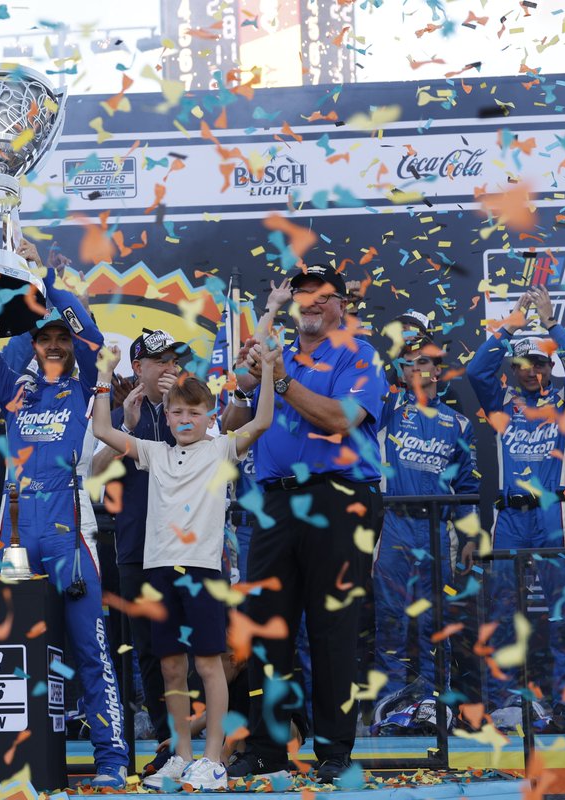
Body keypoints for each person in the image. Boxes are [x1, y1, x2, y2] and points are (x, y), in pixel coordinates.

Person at [0, 239, 129, 789]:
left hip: (69, 537)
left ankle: (111, 758)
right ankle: (14, 760)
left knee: (90, 651)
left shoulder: (86, 385)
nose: (54, 345)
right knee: (11, 652)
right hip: (14, 537)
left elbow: (92, 335)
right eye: (45, 338)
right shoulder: (15, 390)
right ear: (32, 344)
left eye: (61, 338)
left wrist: (43, 280)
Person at [225, 264, 388, 784]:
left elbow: (340, 419)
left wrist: (280, 379)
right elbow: (232, 421)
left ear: (342, 304)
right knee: (266, 629)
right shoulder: (278, 353)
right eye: (302, 292)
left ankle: (334, 750)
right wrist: (248, 381)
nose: (311, 301)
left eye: (322, 293)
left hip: (339, 498)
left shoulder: (359, 354)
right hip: (274, 502)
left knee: (332, 630)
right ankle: (267, 749)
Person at [94, 339, 276, 791]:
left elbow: (263, 420)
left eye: (195, 412)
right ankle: (181, 755)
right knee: (171, 668)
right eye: (177, 413)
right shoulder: (152, 452)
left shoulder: (221, 450)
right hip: (158, 571)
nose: (185, 420)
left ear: (210, 416)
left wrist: (270, 370)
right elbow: (101, 430)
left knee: (209, 665)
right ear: (168, 416)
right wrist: (104, 375)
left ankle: (212, 760)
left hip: (202, 572)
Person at [466, 285, 565, 730]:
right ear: (514, 368)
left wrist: (551, 323)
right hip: (509, 519)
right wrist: (511, 326)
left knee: (562, 611)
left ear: (549, 366)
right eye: (523, 364)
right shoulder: (502, 404)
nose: (532, 371)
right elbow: (476, 370)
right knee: (501, 612)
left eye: (539, 363)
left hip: (553, 515)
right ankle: (504, 705)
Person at [371, 339, 478, 735]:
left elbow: (467, 485)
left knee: (436, 621)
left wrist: (469, 536)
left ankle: (435, 704)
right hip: (393, 523)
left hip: (437, 528)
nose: (417, 368)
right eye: (410, 363)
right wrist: (399, 366)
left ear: (438, 370)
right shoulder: (387, 409)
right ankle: (390, 707)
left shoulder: (458, 423)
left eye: (424, 362)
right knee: (391, 618)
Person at [90, 329, 184, 748]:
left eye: (172, 360)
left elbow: (214, 461)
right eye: (159, 361)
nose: (168, 368)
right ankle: (167, 742)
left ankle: (199, 737)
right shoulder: (116, 413)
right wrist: (126, 430)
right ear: (138, 367)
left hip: (186, 547)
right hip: (136, 547)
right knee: (147, 649)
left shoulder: (191, 405)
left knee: (193, 646)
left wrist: (177, 411)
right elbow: (94, 476)